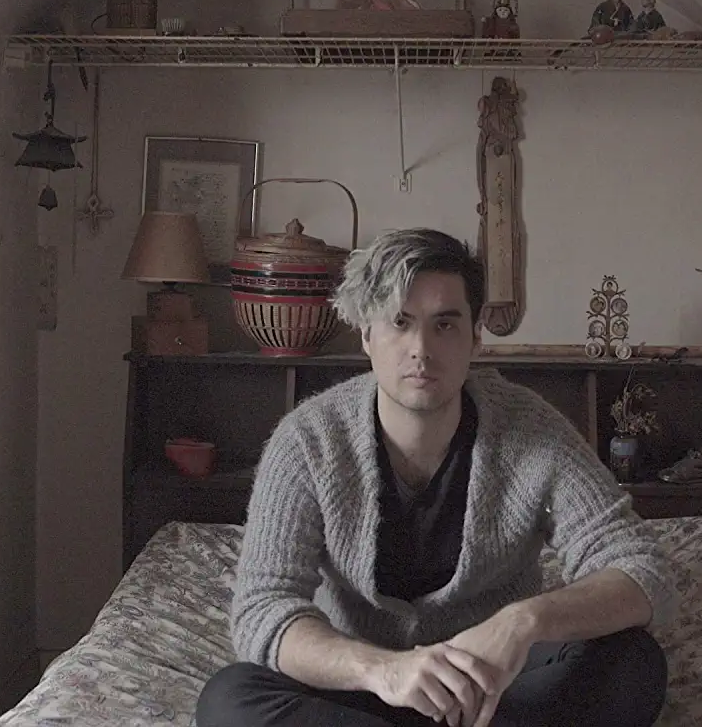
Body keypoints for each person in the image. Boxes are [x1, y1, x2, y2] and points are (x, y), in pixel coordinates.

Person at [198, 228, 674, 727]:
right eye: (399, 322)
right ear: (366, 335)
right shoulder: (307, 441)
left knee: (632, 663)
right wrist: (384, 671)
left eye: (444, 324)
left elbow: (641, 568)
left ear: (476, 336)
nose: (421, 349)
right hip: (360, 685)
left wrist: (523, 622)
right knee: (231, 699)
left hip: (492, 685)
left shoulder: (533, 431)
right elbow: (262, 608)